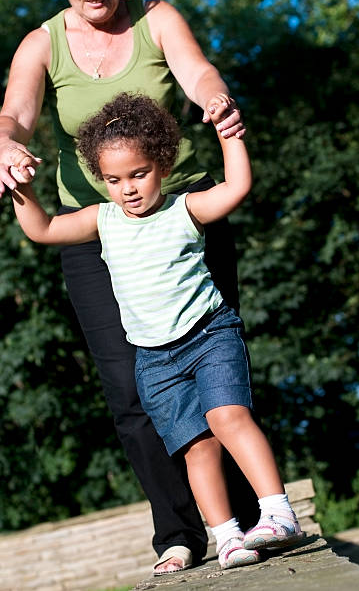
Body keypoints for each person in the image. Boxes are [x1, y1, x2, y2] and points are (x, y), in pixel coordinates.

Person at [0, 0, 258, 574]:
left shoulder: (156, 18)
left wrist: (215, 99)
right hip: (96, 229)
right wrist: (7, 147)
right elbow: (15, 112)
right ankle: (178, 532)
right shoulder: (41, 44)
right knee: (129, 386)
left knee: (217, 371)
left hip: (182, 214)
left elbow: (199, 72)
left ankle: (247, 521)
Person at [11, 92, 304, 571]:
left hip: (209, 336)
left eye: (138, 174)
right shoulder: (102, 220)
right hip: (154, 359)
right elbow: (42, 230)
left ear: (163, 166)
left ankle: (277, 512)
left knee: (228, 418)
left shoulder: (184, 209)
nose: (126, 188)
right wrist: (21, 186)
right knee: (196, 447)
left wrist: (230, 136)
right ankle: (227, 537)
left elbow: (236, 188)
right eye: (113, 179)